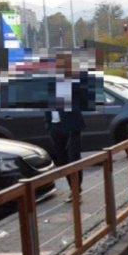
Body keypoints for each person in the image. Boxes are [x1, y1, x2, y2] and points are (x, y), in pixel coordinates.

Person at [45, 53, 88, 199]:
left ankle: (76, 190)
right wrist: (48, 124)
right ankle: (73, 188)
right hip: (55, 126)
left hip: (72, 125)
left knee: (73, 158)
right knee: (62, 161)